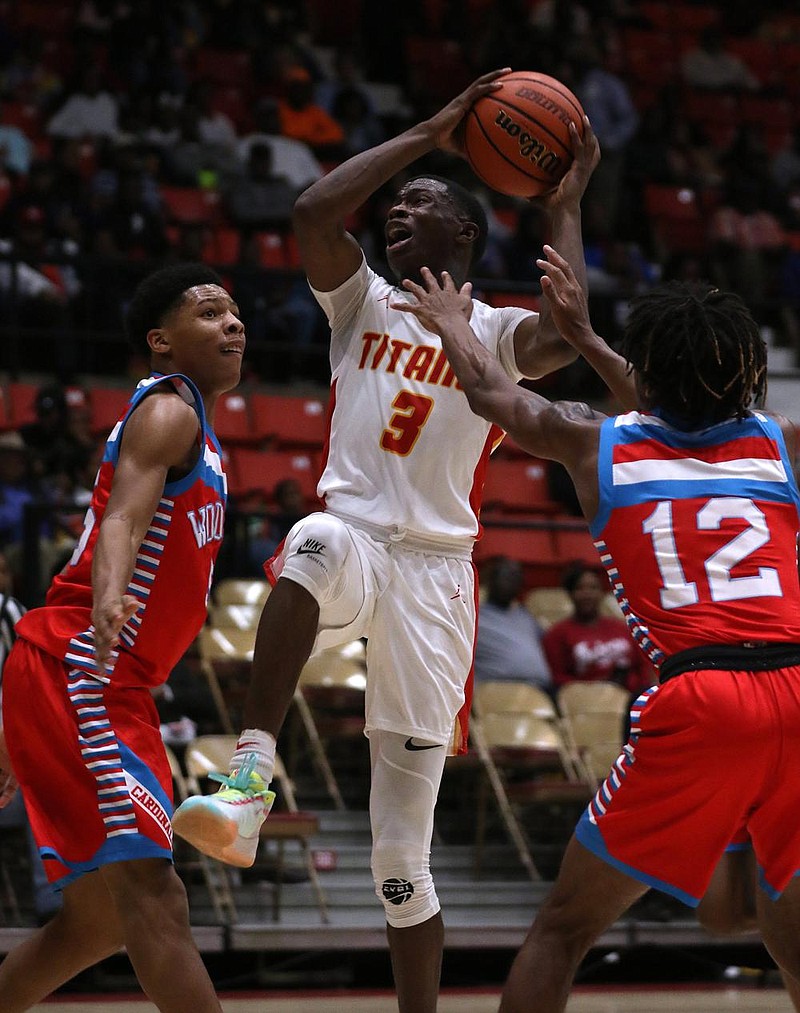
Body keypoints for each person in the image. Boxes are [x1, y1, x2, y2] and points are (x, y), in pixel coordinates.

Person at [172, 69, 599, 1013]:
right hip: (359, 540)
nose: (398, 212)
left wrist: (565, 205)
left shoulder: (494, 329)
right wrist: (434, 133)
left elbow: (574, 330)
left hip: (438, 577)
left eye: (422, 206)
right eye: (396, 206)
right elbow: (316, 208)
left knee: (400, 858)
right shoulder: (358, 299)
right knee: (314, 537)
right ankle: (246, 783)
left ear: (470, 237)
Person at [384, 244, 800, 1012]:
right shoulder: (777, 441)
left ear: (649, 371)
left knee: (564, 928)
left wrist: (452, 322)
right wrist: (588, 340)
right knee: (789, 938)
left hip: (705, 695)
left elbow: (487, 389)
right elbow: (679, 393)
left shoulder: (594, 442)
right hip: (798, 688)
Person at [0, 261, 248, 1012]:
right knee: (152, 891)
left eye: (236, 312)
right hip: (84, 667)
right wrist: (110, 598)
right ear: (161, 342)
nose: (232, 323)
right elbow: (120, 518)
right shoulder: (170, 410)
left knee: (100, 922)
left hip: (109, 685)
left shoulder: (203, 438)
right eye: (208, 313)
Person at [542, 562, 655, 695]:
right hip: (585, 699)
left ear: (601, 592)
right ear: (570, 593)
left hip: (628, 695)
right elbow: (557, 678)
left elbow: (642, 669)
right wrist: (593, 686)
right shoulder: (557, 634)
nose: (587, 594)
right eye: (580, 588)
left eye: (593, 588)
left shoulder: (622, 628)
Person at [474, 555, 552, 691]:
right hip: (497, 690)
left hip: (540, 690)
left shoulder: (526, 616)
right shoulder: (475, 617)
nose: (510, 582)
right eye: (505, 577)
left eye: (515, 577)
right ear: (490, 581)